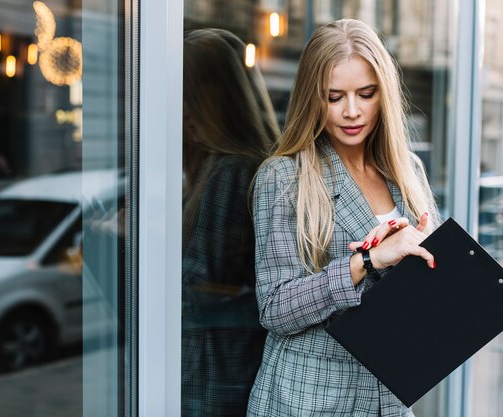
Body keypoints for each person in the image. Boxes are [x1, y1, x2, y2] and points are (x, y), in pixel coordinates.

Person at [247, 19, 440, 416]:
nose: (352, 112)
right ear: (312, 99)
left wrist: (421, 256)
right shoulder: (285, 177)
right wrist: (367, 261)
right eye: (334, 97)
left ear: (383, 93)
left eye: (365, 94)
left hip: (388, 398)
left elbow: (422, 296)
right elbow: (275, 308)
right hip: (309, 399)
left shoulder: (408, 172)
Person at [181, 28, 280, 416]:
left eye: (190, 94)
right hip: (226, 364)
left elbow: (201, 288)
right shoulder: (231, 166)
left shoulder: (230, 171)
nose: (183, 109)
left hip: (215, 369)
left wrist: (139, 239)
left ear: (219, 97)